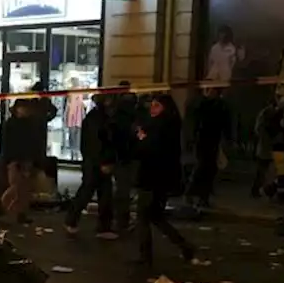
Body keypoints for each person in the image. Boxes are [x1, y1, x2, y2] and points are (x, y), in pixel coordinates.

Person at [133, 94, 196, 266]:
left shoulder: (159, 127)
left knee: (143, 217)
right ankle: (184, 245)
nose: (152, 108)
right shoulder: (170, 125)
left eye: (157, 105)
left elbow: (150, 151)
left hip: (152, 177)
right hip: (162, 178)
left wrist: (141, 140)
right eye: (151, 105)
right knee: (156, 216)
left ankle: (145, 256)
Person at [64, 92, 117, 238]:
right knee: (92, 192)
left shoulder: (95, 118)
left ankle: (99, 225)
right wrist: (104, 161)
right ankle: (75, 221)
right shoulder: (100, 119)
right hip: (97, 162)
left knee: (98, 192)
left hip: (94, 161)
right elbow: (98, 143)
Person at [184, 87, 231, 208]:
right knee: (201, 168)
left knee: (209, 170)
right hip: (203, 141)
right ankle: (191, 194)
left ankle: (203, 197)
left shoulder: (219, 106)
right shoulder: (202, 104)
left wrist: (227, 137)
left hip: (212, 141)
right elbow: (194, 122)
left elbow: (225, 123)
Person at [0, 100, 44, 223]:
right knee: (16, 186)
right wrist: (12, 159)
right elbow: (9, 144)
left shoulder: (31, 123)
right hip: (15, 159)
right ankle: (3, 205)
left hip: (27, 159)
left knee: (25, 189)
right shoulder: (12, 124)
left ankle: (20, 213)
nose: (25, 110)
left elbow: (34, 143)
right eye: (22, 108)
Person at [109, 81, 139, 233]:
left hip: (120, 156)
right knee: (123, 190)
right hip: (125, 156)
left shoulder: (115, 111)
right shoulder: (128, 113)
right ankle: (121, 220)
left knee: (121, 189)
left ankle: (119, 219)